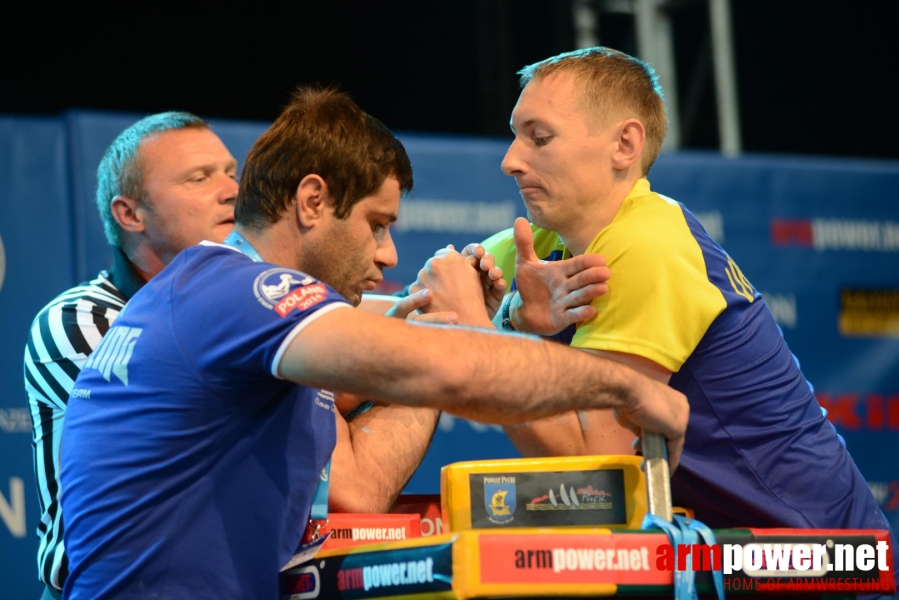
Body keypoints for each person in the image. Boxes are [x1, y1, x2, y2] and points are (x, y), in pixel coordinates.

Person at [58, 85, 688, 600]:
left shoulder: (222, 303)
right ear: (312, 201)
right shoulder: (239, 294)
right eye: (377, 225)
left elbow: (393, 387)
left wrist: (474, 323)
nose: (388, 254)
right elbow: (444, 377)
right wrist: (624, 385)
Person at [475, 46, 898, 573]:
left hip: (821, 560)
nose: (510, 160)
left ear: (625, 145)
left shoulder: (649, 243)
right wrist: (498, 312)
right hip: (715, 557)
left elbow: (588, 472)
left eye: (539, 138)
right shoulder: (535, 242)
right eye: (515, 135)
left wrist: (484, 334)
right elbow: (400, 329)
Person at [23, 110, 449, 599]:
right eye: (198, 178)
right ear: (130, 215)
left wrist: (487, 310)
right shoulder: (80, 321)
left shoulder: (249, 301)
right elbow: (331, 452)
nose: (229, 190)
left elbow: (362, 350)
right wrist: (438, 339)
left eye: (231, 173)